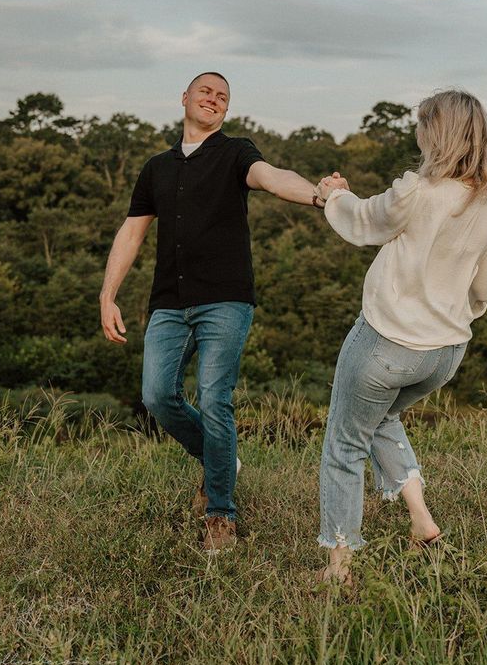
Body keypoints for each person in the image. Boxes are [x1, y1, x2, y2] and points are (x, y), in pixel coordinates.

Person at [100, 71, 326, 553]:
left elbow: (271, 178)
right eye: (206, 91)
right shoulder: (155, 167)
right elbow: (132, 233)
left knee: (213, 396)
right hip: (168, 302)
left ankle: (220, 514)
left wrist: (318, 194)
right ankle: (223, 459)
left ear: (226, 111)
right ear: (184, 98)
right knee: (158, 396)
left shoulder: (236, 151)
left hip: (225, 299)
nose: (214, 99)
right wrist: (107, 294)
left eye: (223, 97)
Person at [314, 89, 487, 584]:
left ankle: (338, 569)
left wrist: (331, 193)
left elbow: (361, 221)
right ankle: (422, 521)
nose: (418, 132)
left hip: (386, 345)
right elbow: (484, 288)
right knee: (382, 417)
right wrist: (452, 315)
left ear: (435, 134)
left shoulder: (416, 191)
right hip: (445, 354)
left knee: (344, 445)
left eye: (423, 124)